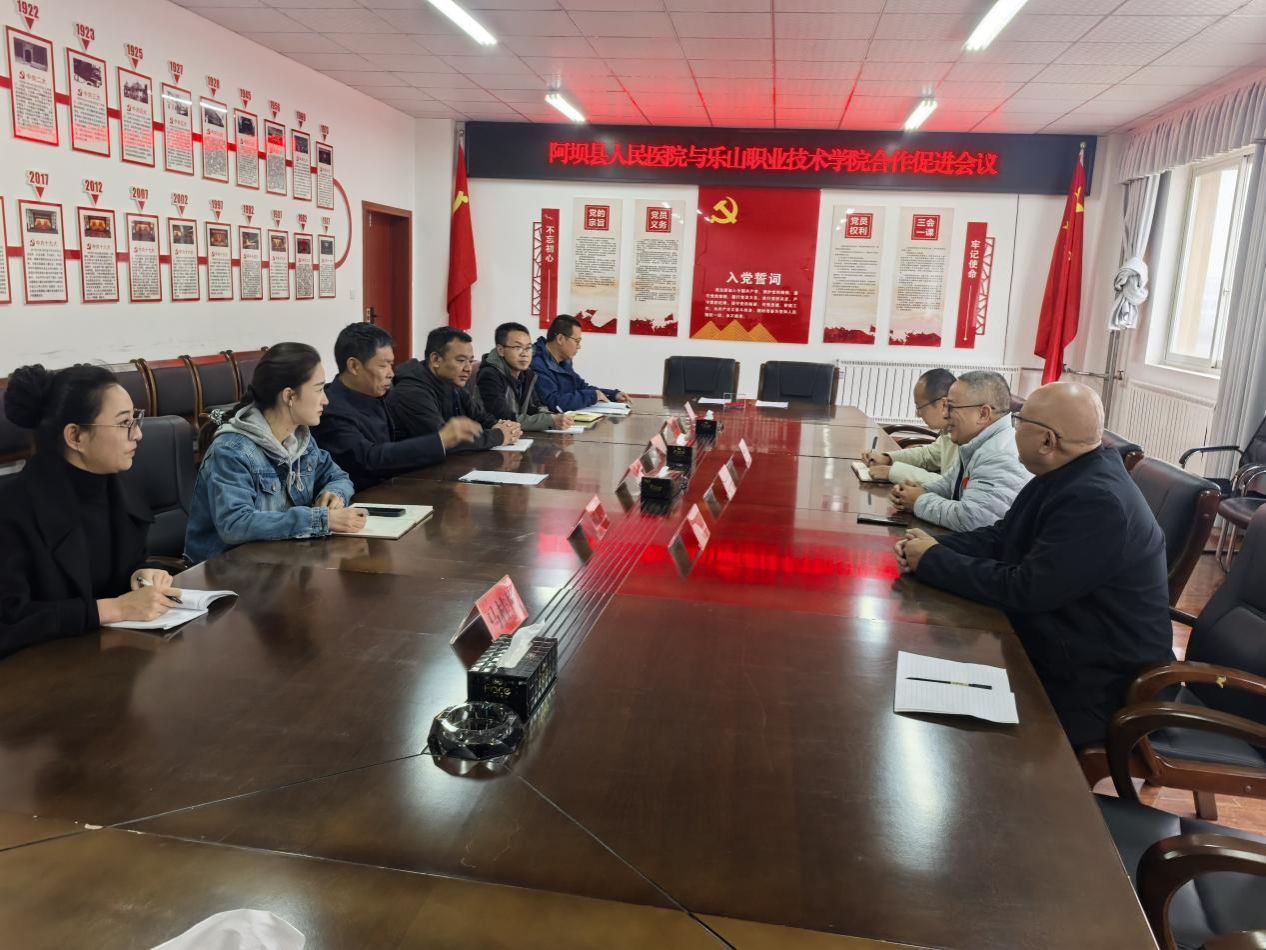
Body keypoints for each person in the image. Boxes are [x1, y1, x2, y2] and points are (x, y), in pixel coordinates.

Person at [896, 382, 1173, 748]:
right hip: (1059, 650)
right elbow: (1003, 537)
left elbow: (1026, 589)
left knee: (954, 739)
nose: (1012, 430)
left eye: (1019, 421)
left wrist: (934, 561)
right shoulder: (1066, 471)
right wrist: (934, 548)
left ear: (1046, 440)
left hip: (1100, 689)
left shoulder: (1097, 501)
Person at [0, 364, 181, 657]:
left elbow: (118, 568)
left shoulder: (118, 488)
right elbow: (10, 620)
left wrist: (141, 574)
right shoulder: (13, 508)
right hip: (43, 670)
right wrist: (112, 609)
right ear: (76, 437)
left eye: (136, 419)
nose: (137, 435)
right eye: (124, 423)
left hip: (112, 658)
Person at [185, 342, 366, 563]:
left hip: (282, 565)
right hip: (227, 572)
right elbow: (235, 524)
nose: (325, 400)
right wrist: (322, 519)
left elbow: (339, 477)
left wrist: (334, 494)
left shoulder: (300, 440)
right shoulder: (231, 451)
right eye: (319, 389)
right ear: (289, 396)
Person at [314, 323, 481, 490]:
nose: (391, 373)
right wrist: (440, 440)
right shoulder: (330, 410)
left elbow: (397, 446)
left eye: (391, 364)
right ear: (354, 366)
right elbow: (369, 459)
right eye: (383, 365)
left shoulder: (380, 395)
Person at [888, 370, 1030, 531]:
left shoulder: (1000, 454)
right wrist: (919, 491)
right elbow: (950, 485)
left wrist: (918, 501)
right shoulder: (978, 443)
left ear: (983, 414)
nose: (944, 414)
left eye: (951, 407)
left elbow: (973, 519)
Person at [386, 327, 522, 450]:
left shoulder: (453, 384)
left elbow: (480, 417)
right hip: (414, 469)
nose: (468, 368)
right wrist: (499, 435)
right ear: (435, 360)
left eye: (470, 361)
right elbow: (444, 440)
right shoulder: (411, 391)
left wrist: (505, 427)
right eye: (461, 360)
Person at [861, 368, 958, 486]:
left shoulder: (967, 436)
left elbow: (950, 486)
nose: (918, 414)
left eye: (919, 407)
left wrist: (893, 472)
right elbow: (927, 455)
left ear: (943, 404)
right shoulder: (949, 430)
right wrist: (887, 458)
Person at [477, 321, 574, 433]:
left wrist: (552, 416)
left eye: (528, 348)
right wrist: (550, 421)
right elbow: (502, 418)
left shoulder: (527, 374)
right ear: (500, 350)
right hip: (492, 438)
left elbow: (535, 407)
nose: (525, 354)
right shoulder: (489, 375)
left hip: (517, 436)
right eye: (518, 347)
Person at [530, 314, 628, 412]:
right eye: (577, 341)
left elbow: (581, 387)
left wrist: (613, 394)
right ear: (560, 339)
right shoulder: (536, 363)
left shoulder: (564, 362)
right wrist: (593, 396)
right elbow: (554, 403)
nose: (579, 346)